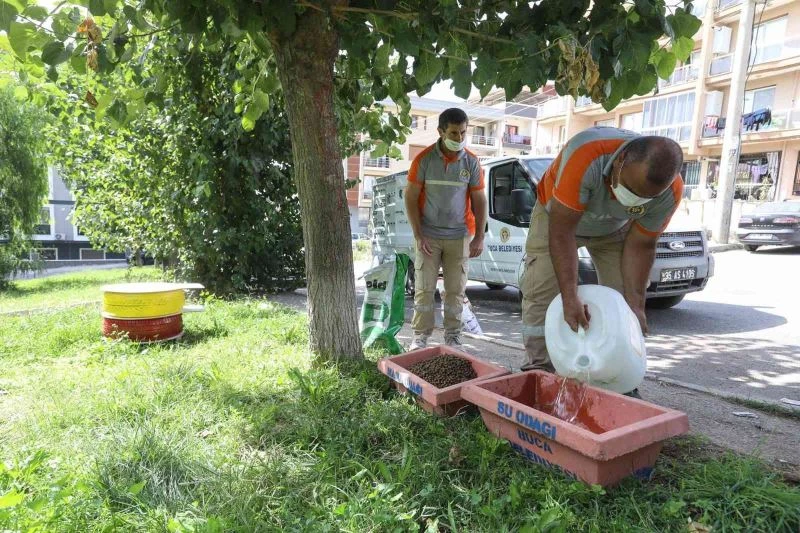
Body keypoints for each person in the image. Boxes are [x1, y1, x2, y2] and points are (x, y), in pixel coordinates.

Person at [520, 126, 684, 397]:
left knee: (622, 306)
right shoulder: (586, 155)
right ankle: (539, 373)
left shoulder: (670, 192)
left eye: (645, 198)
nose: (635, 199)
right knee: (541, 291)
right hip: (557, 215)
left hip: (614, 229)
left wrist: (636, 305)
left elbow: (642, 244)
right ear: (620, 161)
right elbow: (562, 232)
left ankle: (618, 379)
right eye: (632, 189)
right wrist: (569, 296)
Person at [404, 107, 487, 350]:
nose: (459, 138)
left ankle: (453, 336)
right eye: (453, 133)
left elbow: (480, 200)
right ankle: (420, 337)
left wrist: (479, 236)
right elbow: (410, 197)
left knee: (455, 291)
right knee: (424, 290)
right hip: (429, 236)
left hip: (459, 236)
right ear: (440, 131)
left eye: (463, 132)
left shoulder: (471, 162)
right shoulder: (424, 160)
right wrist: (418, 235)